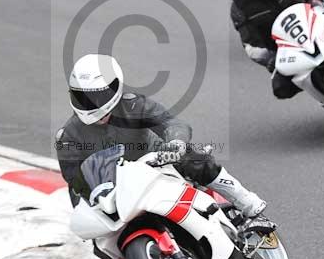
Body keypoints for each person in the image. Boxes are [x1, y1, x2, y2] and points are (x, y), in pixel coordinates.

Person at [55, 53, 274, 231]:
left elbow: (171, 123)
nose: (91, 104)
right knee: (95, 234)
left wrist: (175, 144)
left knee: (194, 157)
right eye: (82, 97)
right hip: (115, 191)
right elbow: (76, 181)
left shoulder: (133, 105)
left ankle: (251, 206)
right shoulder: (67, 137)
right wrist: (93, 203)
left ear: (115, 88)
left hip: (156, 163)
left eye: (97, 97)